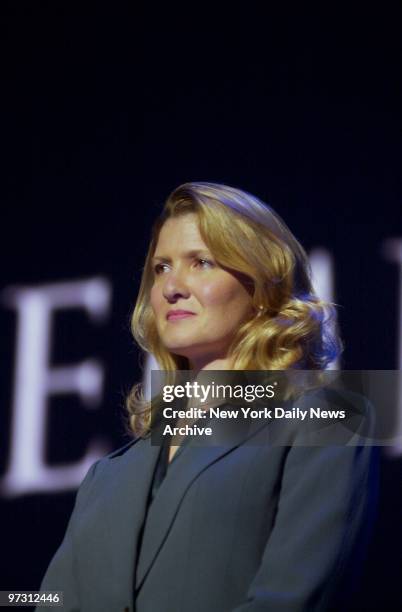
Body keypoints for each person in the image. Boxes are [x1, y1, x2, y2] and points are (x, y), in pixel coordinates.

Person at [37, 182, 378, 612]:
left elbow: (292, 599)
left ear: (261, 286)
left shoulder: (328, 418)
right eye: (161, 268)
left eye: (201, 262)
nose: (170, 287)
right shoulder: (107, 477)